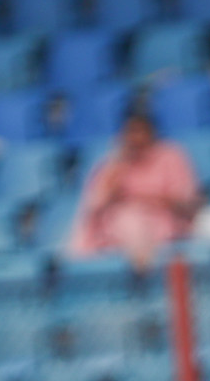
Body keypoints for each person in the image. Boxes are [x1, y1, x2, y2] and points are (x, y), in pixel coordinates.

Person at [67, 110, 200, 272]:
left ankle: (143, 274)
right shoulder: (111, 163)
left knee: (133, 221)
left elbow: (186, 205)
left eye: (140, 131)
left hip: (164, 225)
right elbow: (95, 206)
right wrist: (116, 167)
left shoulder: (171, 156)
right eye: (130, 132)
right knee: (118, 221)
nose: (135, 138)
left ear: (152, 132)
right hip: (116, 231)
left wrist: (146, 199)